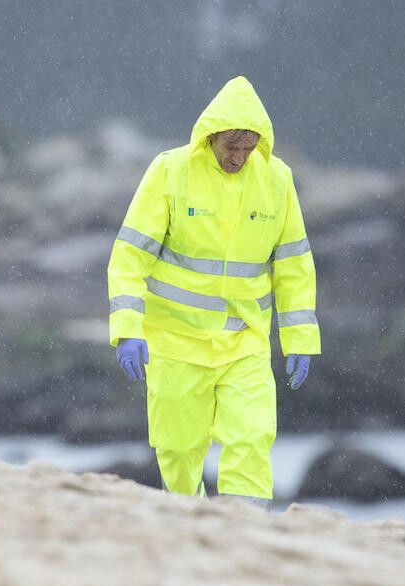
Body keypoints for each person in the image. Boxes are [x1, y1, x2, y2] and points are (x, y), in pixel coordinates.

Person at [106, 76, 320, 508]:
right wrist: (127, 328)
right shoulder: (170, 170)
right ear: (210, 138)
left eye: (247, 147)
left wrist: (300, 338)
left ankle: (247, 529)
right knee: (179, 450)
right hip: (175, 341)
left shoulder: (277, 179)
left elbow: (294, 265)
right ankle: (187, 523)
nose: (238, 157)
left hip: (245, 339)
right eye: (230, 147)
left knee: (251, 438)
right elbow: (130, 256)